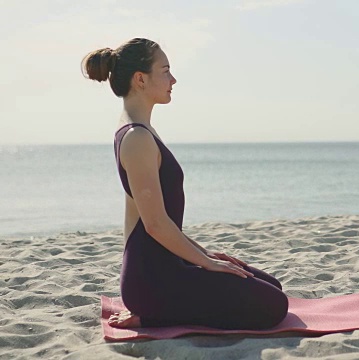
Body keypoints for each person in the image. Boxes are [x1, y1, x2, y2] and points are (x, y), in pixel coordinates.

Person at [82, 38, 288, 330]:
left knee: (271, 286)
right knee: (274, 306)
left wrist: (204, 253)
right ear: (140, 79)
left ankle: (164, 308)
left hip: (168, 264)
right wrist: (207, 264)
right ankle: (153, 315)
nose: (173, 79)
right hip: (151, 279)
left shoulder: (142, 131)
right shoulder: (136, 138)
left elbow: (162, 221)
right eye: (165, 70)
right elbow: (153, 225)